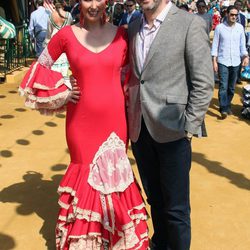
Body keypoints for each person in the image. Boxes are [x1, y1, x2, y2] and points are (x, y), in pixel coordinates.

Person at [19, 0, 149, 249]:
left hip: (114, 122)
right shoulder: (67, 35)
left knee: (114, 178)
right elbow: (40, 65)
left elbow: (131, 74)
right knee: (85, 173)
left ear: (106, 3)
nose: (93, 5)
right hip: (80, 124)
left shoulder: (123, 34)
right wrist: (64, 89)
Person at [126, 0, 214, 249]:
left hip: (174, 131)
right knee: (155, 198)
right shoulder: (133, 26)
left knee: (176, 208)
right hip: (140, 130)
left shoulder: (190, 24)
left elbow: (203, 82)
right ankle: (161, 242)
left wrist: (189, 128)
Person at [211, 5, 249, 119]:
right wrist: (214, 61)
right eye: (231, 14)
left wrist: (245, 57)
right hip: (223, 60)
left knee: (231, 87)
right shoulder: (219, 28)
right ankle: (223, 108)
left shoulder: (240, 28)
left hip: (236, 61)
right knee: (223, 86)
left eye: (235, 15)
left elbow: (242, 45)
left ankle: (227, 105)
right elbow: (215, 46)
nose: (233, 17)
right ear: (227, 14)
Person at [44, 0, 72, 77]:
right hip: (65, 46)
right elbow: (69, 30)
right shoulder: (68, 15)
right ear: (63, 4)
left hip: (53, 45)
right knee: (66, 72)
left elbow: (48, 35)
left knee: (54, 73)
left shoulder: (50, 16)